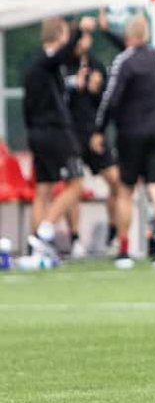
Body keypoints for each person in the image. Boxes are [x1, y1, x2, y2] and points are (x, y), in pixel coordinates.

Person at [94, 14, 155, 267]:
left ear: (127, 35)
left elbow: (111, 98)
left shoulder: (124, 61)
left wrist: (99, 130)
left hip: (131, 132)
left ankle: (124, 250)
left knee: (125, 189)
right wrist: (109, 32)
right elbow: (132, 50)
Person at [65, 15, 129, 265]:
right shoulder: (63, 64)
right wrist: (75, 87)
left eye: (88, 37)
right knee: (74, 185)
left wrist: (95, 90)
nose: (85, 42)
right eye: (81, 37)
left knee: (116, 182)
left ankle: (114, 234)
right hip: (71, 135)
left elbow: (105, 102)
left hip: (93, 135)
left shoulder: (96, 65)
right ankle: (74, 239)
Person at [22, 16, 85, 259]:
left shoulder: (34, 65)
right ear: (60, 34)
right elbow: (61, 54)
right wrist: (79, 31)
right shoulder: (47, 60)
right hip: (55, 132)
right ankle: (44, 232)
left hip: (37, 133)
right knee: (76, 184)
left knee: (43, 189)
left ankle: (36, 249)